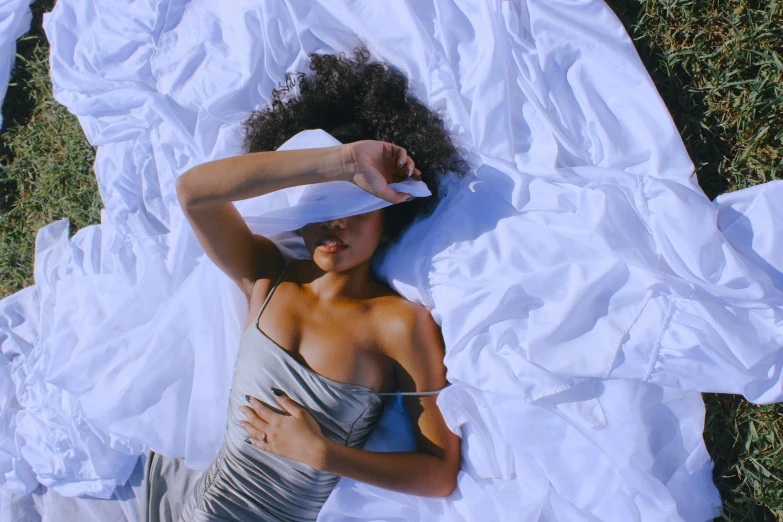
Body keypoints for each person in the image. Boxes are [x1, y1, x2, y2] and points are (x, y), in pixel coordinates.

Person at [138, 45, 471, 522]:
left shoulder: (399, 325)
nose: (331, 224)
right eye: (316, 207)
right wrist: (340, 164)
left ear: (389, 210)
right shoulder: (268, 276)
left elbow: (439, 474)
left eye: (351, 205)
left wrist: (323, 455)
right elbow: (193, 193)